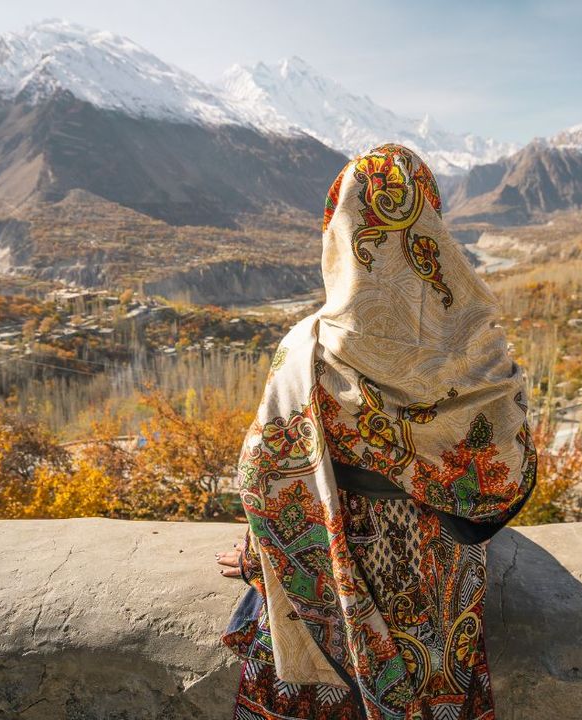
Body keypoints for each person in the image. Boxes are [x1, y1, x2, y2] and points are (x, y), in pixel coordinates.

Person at [215, 143, 537, 720]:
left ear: (339, 229)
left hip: (340, 575)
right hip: (441, 584)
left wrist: (259, 554)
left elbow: (266, 479)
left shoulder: (307, 350)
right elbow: (507, 468)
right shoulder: (481, 346)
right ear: (431, 222)